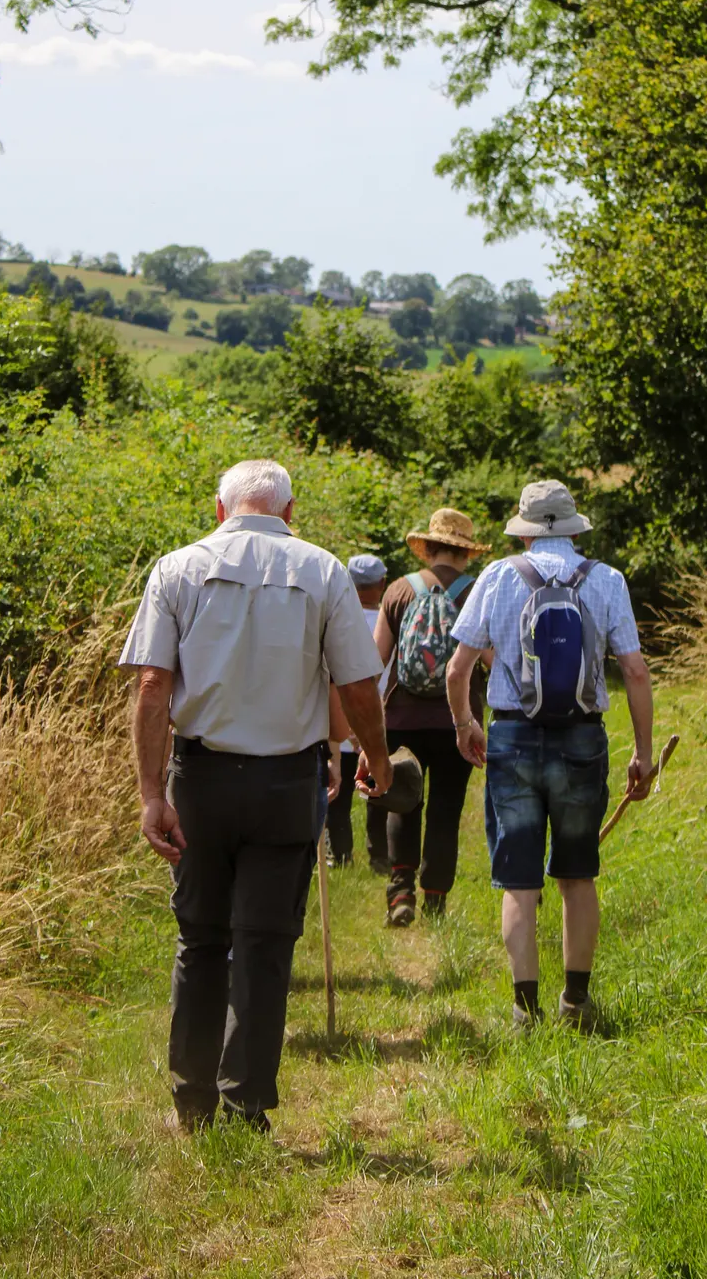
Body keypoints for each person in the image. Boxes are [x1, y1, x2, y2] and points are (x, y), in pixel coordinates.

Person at [119, 458, 393, 1132]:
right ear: (289, 513)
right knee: (265, 946)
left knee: (201, 939)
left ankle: (192, 1105)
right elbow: (357, 685)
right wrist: (375, 756)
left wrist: (151, 793)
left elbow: (152, 686)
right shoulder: (323, 570)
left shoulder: (176, 569)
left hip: (201, 781)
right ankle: (246, 1107)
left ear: (220, 510)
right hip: (285, 783)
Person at [445, 479, 653, 1031]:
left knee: (520, 882)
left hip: (512, 738)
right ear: (574, 528)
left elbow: (458, 669)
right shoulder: (606, 579)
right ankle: (576, 1003)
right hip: (583, 740)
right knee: (577, 875)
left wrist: (466, 724)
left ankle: (524, 1009)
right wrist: (643, 752)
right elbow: (634, 671)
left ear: (526, 532)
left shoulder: (497, 577)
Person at [373, 506, 491, 927]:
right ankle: (436, 900)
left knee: (402, 803)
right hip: (458, 721)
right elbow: (491, 660)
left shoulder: (398, 590)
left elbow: (376, 660)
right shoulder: (476, 593)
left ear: (427, 547)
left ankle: (401, 894)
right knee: (445, 808)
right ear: (466, 552)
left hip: (401, 720)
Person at [325, 553, 389, 869]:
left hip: (341, 723)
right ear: (382, 583)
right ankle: (380, 856)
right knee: (379, 790)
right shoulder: (390, 622)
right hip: (380, 725)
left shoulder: (337, 620)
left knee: (338, 794)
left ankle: (340, 855)